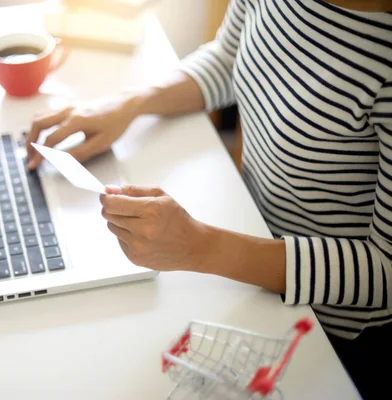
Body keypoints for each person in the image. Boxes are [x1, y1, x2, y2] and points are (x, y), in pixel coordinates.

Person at [25, 1, 392, 398]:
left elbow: (385, 272)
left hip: (328, 328)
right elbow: (230, 56)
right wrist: (131, 103)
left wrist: (199, 247)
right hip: (251, 243)